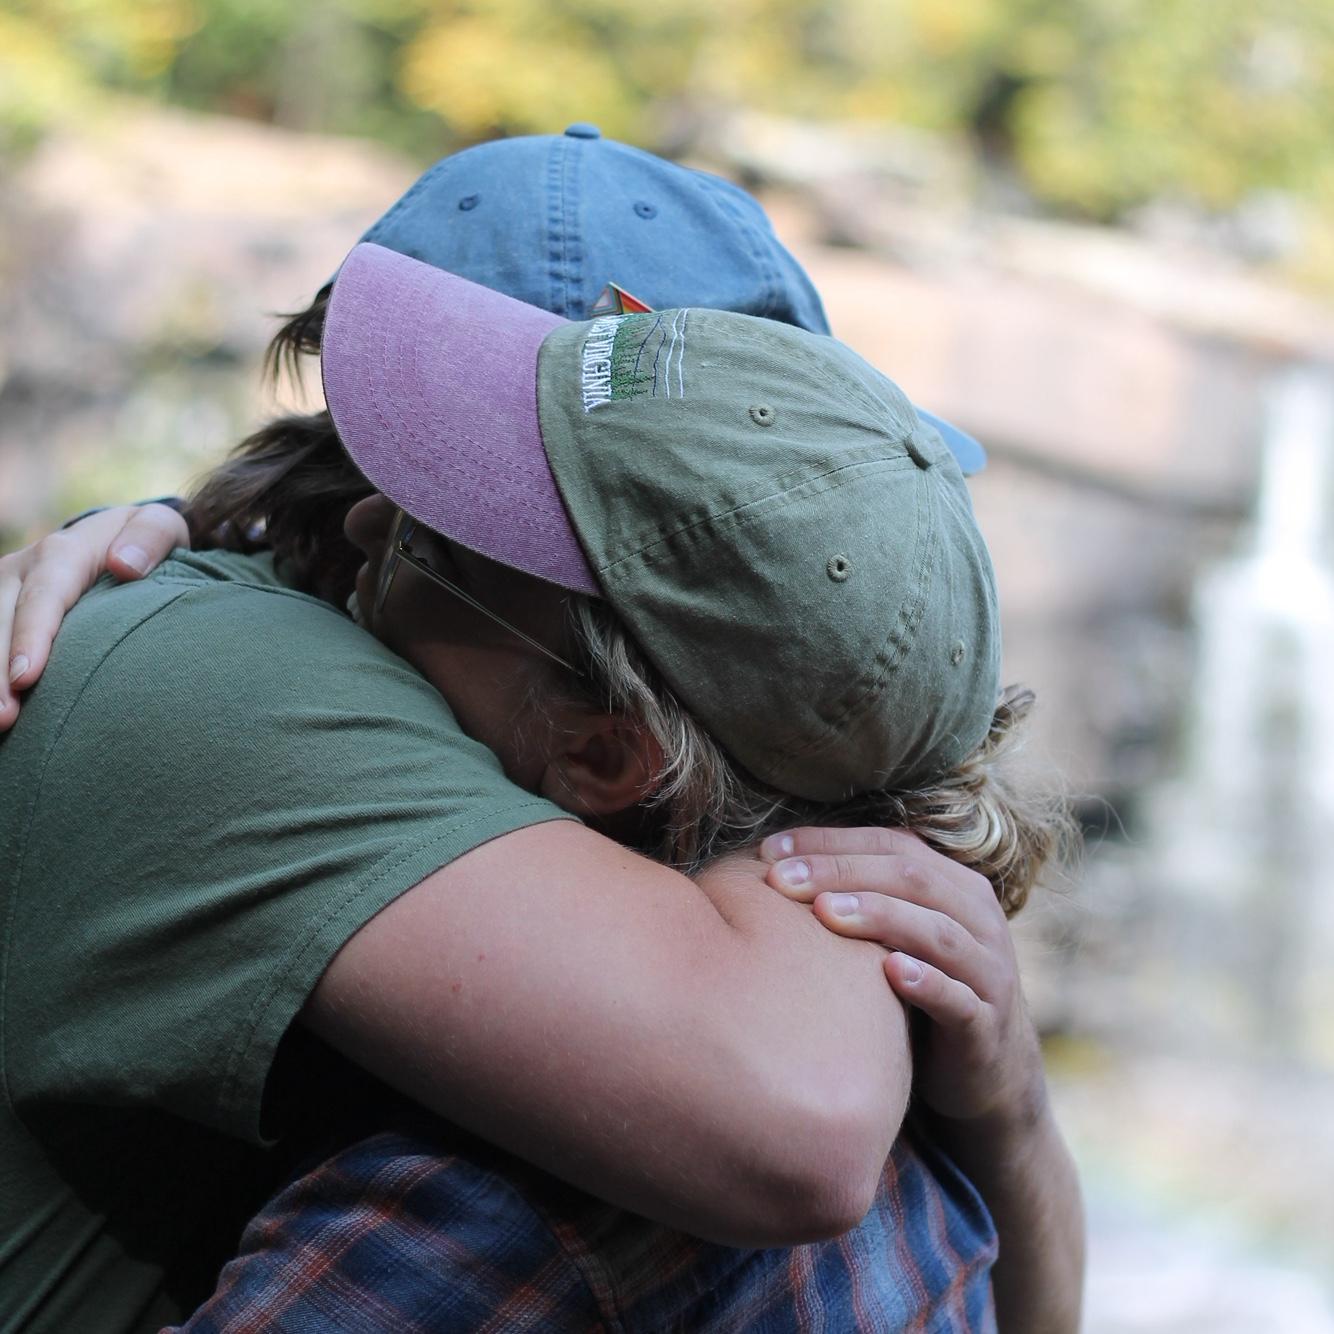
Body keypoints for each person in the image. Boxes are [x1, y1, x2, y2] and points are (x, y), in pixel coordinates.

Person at [0, 134, 1082, 1332]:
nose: (366, 526)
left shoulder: (745, 987)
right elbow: (811, 1136)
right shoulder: (242, 673)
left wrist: (1009, 1102)